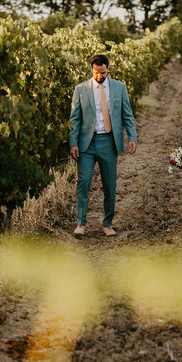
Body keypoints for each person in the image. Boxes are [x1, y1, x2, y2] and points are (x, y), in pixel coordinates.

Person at [69, 53, 137, 236]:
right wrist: (73, 142)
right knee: (83, 182)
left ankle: (107, 224)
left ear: (108, 69)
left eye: (104, 73)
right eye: (97, 73)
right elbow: (74, 119)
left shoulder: (119, 88)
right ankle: (81, 224)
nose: (100, 76)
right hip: (87, 144)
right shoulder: (81, 89)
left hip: (108, 141)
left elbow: (127, 115)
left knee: (109, 185)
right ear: (92, 69)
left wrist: (132, 137)